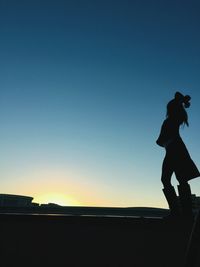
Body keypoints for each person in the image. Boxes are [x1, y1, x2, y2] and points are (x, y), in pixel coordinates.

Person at [156, 92, 200, 218]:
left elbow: (163, 139)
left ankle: (182, 213)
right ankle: (182, 212)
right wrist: (181, 101)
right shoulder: (172, 119)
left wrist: (181, 101)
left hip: (175, 149)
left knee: (172, 179)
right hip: (173, 149)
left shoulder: (174, 119)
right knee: (174, 179)